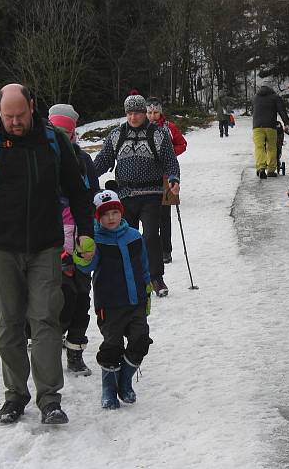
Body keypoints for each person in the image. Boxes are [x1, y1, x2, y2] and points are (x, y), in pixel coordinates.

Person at [0, 83, 94, 425]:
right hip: (2, 249)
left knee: (46, 320)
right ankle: (15, 396)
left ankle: (50, 399)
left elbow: (78, 191)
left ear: (32, 106)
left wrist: (85, 234)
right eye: (8, 116)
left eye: (20, 115)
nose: (15, 122)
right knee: (8, 324)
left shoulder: (53, 140)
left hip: (47, 247)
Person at [93, 94, 181, 297]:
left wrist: (174, 178)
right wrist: (87, 176)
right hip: (124, 195)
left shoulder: (157, 134)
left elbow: (170, 160)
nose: (133, 117)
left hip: (151, 193)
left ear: (144, 113)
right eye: (130, 113)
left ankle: (156, 277)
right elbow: (103, 159)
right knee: (127, 237)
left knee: (150, 236)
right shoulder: (116, 135)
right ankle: (131, 277)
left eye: (138, 113)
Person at [74, 190, 153, 410]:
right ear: (98, 217)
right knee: (113, 345)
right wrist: (82, 254)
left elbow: (144, 265)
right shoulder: (95, 240)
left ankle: (125, 382)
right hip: (110, 304)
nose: (111, 218)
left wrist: (147, 290)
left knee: (140, 339)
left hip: (136, 300)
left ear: (121, 213)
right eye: (105, 214)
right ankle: (109, 388)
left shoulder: (134, 236)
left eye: (114, 213)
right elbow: (86, 267)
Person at [48, 104, 100, 377]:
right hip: (49, 243)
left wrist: (90, 234)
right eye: (56, 132)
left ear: (73, 134)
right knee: (55, 298)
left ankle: (76, 352)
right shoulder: (40, 158)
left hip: (80, 238)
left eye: (66, 133)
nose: (61, 138)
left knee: (81, 296)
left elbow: (92, 195)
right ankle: (49, 344)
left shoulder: (83, 161)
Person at [146, 97, 187, 264]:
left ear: (160, 112)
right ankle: (151, 250)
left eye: (155, 112)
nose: (152, 116)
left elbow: (182, 144)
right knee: (149, 217)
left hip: (168, 177)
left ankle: (166, 250)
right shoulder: (142, 129)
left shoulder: (169, 127)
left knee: (165, 216)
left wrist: (169, 154)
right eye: (149, 112)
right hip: (148, 178)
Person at [252, 81, 289, 179]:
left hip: (257, 126)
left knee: (259, 147)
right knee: (271, 147)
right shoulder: (275, 97)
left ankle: (261, 167)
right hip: (270, 126)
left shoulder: (256, 97)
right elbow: (282, 110)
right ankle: (271, 170)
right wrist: (286, 123)